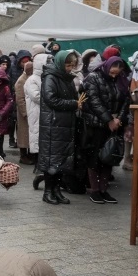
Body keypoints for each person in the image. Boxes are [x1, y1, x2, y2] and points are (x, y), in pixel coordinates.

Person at [80, 56, 128, 204]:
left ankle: (103, 189)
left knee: (109, 156)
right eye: (112, 72)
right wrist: (108, 119)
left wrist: (118, 119)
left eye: (117, 73)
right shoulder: (93, 78)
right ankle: (95, 190)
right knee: (95, 157)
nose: (114, 75)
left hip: (114, 124)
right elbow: (94, 101)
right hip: (96, 124)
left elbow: (125, 100)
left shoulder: (120, 80)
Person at [40, 50, 85, 206]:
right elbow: (51, 99)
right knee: (51, 159)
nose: (69, 68)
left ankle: (57, 190)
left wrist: (76, 103)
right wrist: (73, 104)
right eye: (67, 65)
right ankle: (48, 191)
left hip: (65, 124)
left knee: (61, 160)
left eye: (71, 65)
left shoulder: (67, 79)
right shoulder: (50, 77)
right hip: (53, 125)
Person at [15, 60, 34, 164]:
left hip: (29, 111)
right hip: (25, 112)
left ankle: (29, 155)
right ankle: (23, 156)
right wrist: (25, 113)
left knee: (28, 135)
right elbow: (20, 99)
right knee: (23, 135)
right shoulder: (22, 80)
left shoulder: (27, 78)